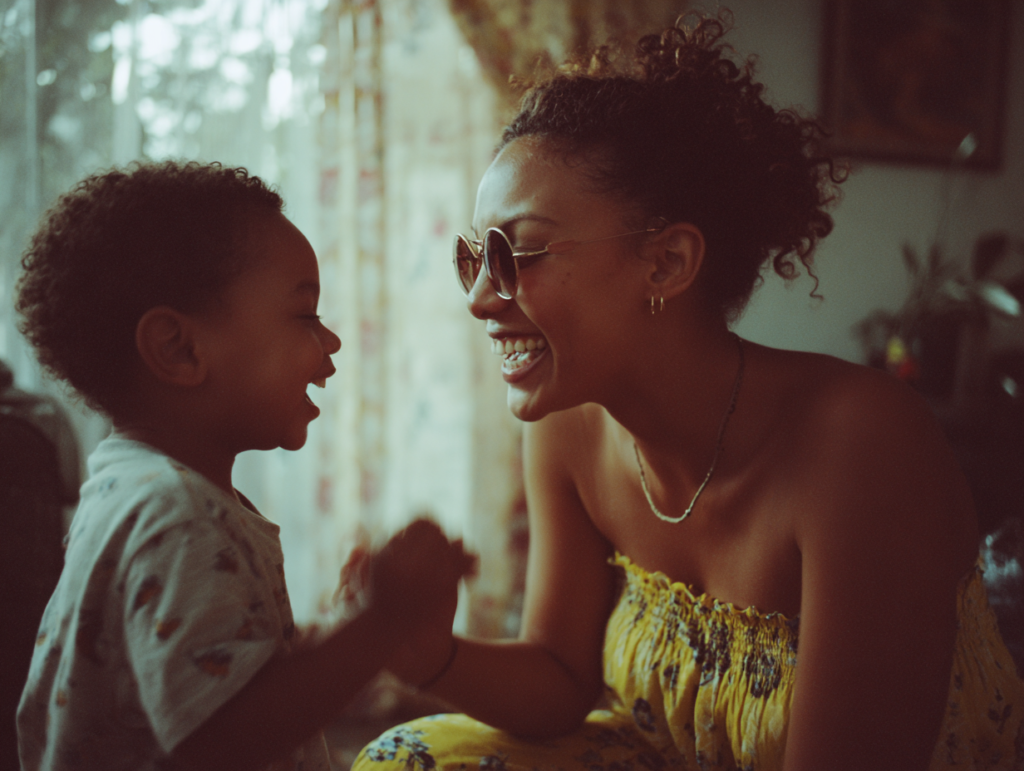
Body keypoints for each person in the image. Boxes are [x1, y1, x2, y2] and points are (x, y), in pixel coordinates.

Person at [351, 14, 1023, 771]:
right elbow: (563, 677)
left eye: (517, 252)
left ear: (667, 263)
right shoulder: (568, 425)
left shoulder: (862, 445)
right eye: (474, 256)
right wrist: (429, 653)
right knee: (406, 756)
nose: (478, 298)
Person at [14, 160, 475, 771]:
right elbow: (222, 742)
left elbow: (214, 674)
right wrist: (382, 622)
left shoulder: (128, 484)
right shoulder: (175, 514)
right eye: (305, 315)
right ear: (180, 349)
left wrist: (343, 630)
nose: (332, 341)